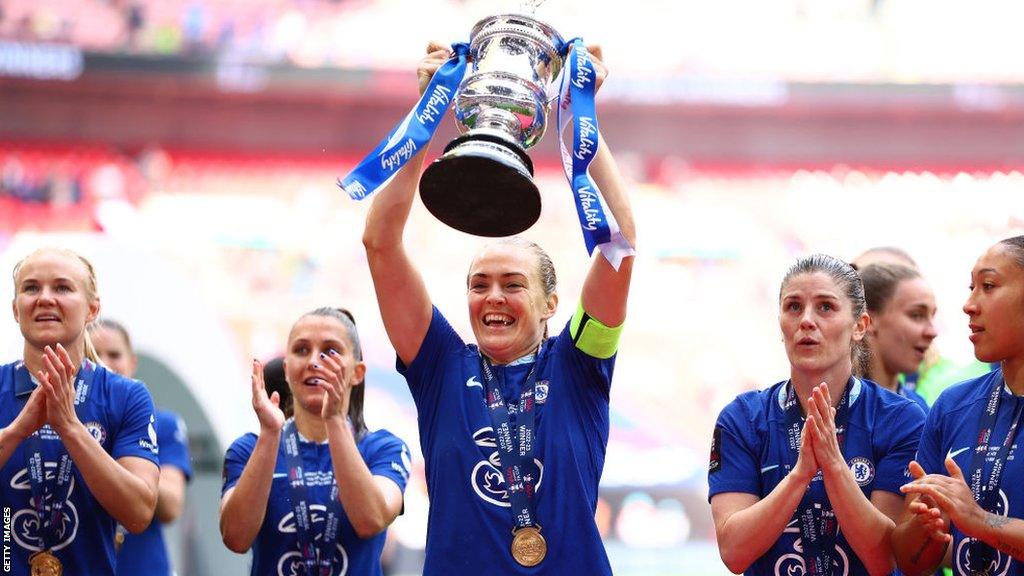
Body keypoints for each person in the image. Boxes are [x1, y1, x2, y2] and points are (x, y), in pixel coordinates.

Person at [361, 42, 635, 574]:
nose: (492, 297)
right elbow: (380, 243)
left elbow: (619, 244)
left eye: (512, 284)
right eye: (479, 284)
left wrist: (582, 119)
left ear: (550, 303)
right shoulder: (440, 363)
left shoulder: (579, 363)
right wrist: (426, 117)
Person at [709, 254, 926, 575]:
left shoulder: (903, 419)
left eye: (825, 306)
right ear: (780, 322)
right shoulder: (742, 418)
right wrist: (800, 474)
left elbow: (885, 560)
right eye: (793, 306)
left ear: (860, 326)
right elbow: (734, 554)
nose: (806, 320)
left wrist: (834, 467)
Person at [0, 247, 160, 575]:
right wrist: (17, 432)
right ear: (16, 309)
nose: (44, 298)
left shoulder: (126, 396)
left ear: (92, 309)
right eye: (31, 288)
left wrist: (71, 428)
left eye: (62, 287)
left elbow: (139, 512)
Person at [220, 307, 411, 576]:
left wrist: (334, 420)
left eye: (330, 351)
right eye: (301, 350)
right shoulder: (250, 448)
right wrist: (270, 435)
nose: (314, 361)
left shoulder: (384, 448)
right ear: (286, 370)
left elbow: (371, 520)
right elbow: (235, 538)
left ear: (357, 372)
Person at [894, 235, 1024, 575]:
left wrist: (979, 521)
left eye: (989, 285)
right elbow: (911, 563)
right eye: (971, 287)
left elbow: (975, 521)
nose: (969, 304)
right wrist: (928, 531)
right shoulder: (952, 406)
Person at [88, 318, 193, 576]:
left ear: (132, 362)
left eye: (114, 354)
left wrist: (124, 455)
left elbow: (171, 507)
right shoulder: (66, 423)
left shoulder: (163, 424)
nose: (105, 363)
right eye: (93, 354)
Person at [858, 262, 937, 413]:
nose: (932, 332)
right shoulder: (832, 404)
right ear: (869, 321)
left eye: (932, 316)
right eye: (916, 315)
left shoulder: (920, 409)